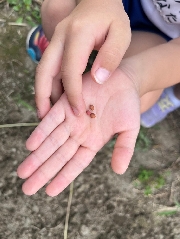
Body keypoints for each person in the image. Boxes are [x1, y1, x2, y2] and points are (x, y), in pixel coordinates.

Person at [17, 0, 180, 196]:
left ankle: (171, 94)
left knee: (137, 99)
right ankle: (62, 39)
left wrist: (134, 77)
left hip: (164, 40)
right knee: (56, 8)